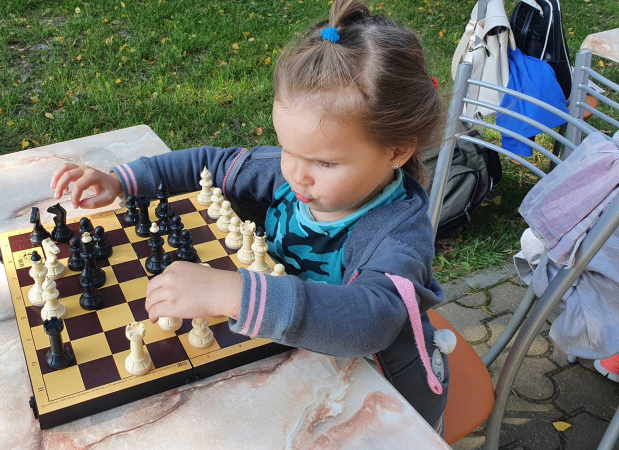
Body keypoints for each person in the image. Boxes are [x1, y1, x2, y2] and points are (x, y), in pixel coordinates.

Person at [50, 0, 448, 434]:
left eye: (324, 163)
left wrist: (233, 293)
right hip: (297, 366)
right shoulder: (287, 173)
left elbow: (370, 322)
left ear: (396, 151)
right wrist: (123, 181)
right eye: (288, 148)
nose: (295, 172)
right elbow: (209, 164)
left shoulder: (396, 233)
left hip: (386, 404)